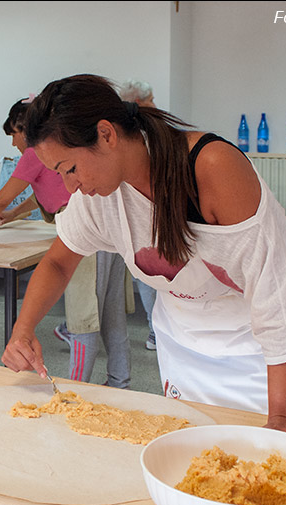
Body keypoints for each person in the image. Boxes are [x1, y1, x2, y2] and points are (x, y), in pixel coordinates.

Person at [2, 74, 286, 435]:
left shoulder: (211, 167)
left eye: (71, 169)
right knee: (191, 449)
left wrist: (282, 419)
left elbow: (273, 296)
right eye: (59, 174)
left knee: (259, 457)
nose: (70, 186)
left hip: (260, 343)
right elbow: (59, 261)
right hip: (184, 335)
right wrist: (23, 329)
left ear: (106, 134)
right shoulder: (96, 195)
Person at [0, 96, 132, 388]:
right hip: (107, 237)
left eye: (13, 134)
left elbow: (1, 198)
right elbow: (39, 193)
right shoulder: (55, 156)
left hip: (86, 238)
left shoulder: (34, 154)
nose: (14, 143)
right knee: (110, 314)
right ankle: (120, 382)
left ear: (23, 128)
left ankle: (72, 392)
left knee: (83, 319)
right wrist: (15, 213)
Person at [119, 79, 158, 351]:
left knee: (150, 277)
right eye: (148, 101)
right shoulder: (127, 134)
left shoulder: (155, 131)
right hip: (136, 216)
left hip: (155, 213)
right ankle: (155, 328)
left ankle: (156, 329)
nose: (154, 105)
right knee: (144, 276)